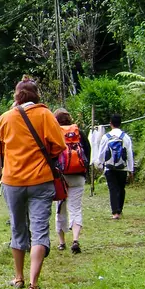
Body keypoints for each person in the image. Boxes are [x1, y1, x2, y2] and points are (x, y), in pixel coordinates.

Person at [0, 77, 66, 289]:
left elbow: (1, 149)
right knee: (39, 231)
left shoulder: (5, 118)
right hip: (40, 180)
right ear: (37, 95)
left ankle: (18, 277)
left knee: (18, 228)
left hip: (12, 181)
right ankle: (33, 286)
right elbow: (59, 146)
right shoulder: (45, 115)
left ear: (16, 96)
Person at [53, 109, 91, 254]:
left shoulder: (55, 133)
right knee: (75, 208)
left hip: (61, 176)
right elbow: (87, 152)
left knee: (60, 208)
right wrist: (84, 170)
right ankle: (75, 239)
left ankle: (62, 242)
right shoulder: (79, 133)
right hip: (78, 176)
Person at [97, 114, 134, 219]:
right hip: (122, 167)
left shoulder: (106, 137)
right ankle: (120, 210)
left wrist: (100, 164)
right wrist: (131, 169)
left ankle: (115, 212)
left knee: (112, 189)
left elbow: (101, 153)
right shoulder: (125, 137)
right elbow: (129, 154)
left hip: (109, 167)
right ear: (120, 123)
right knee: (121, 188)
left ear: (110, 124)